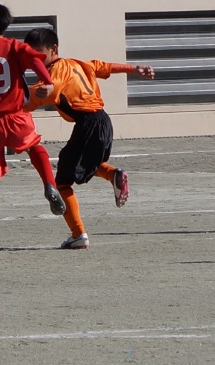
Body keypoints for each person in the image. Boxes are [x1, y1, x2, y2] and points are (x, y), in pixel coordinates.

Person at [24, 27, 154, 250]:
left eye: (38, 53)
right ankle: (113, 174)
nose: (33, 59)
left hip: (89, 124)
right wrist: (134, 68)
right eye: (30, 54)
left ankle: (78, 234)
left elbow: (46, 91)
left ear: (53, 49)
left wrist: (10, 98)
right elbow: (103, 66)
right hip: (103, 122)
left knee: (62, 181)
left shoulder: (55, 71)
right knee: (83, 164)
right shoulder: (77, 64)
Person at [0, 1, 65, 263]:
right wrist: (48, 83)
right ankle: (49, 184)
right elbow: (36, 61)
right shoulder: (15, 46)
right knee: (35, 146)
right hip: (17, 116)